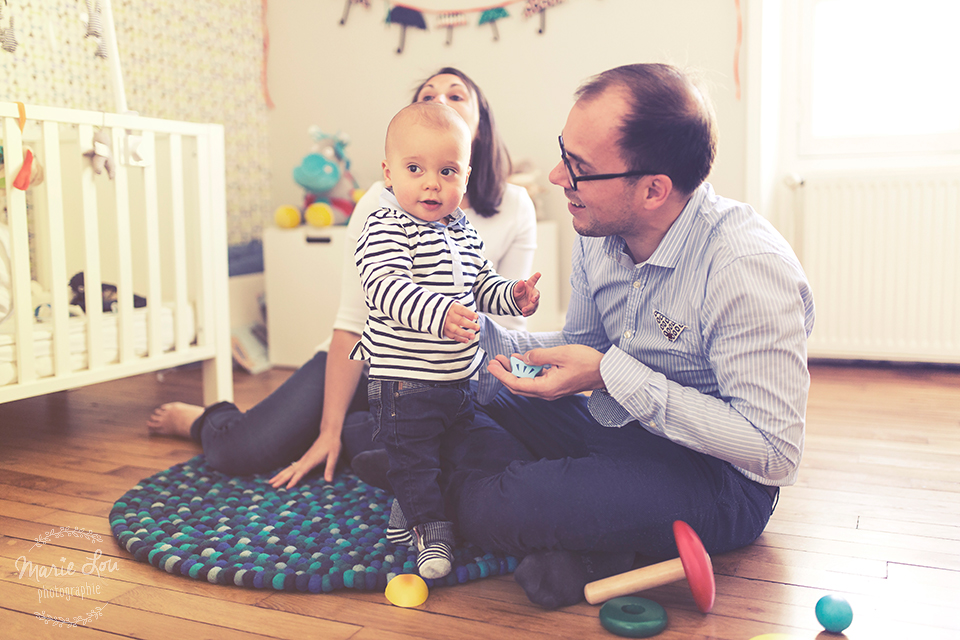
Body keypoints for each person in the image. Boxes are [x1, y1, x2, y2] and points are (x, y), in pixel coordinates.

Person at [430, 63, 816, 608]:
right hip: (617, 424)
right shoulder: (600, 227)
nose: (558, 178)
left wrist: (610, 372)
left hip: (719, 477)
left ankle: (444, 488)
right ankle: (595, 536)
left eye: (578, 167)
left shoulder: (745, 269)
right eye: (565, 152)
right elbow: (581, 345)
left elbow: (775, 453)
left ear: (654, 189)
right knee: (465, 391)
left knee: (503, 504)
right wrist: (469, 339)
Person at [146, 68, 538, 489]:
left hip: (451, 371)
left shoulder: (514, 205)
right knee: (240, 452)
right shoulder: (380, 205)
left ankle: (368, 429)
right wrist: (328, 431)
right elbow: (354, 322)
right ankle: (206, 419)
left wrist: (515, 301)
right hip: (369, 360)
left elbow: (508, 324)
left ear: (478, 128)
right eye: (427, 95)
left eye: (456, 96)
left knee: (483, 454)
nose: (439, 101)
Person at [351, 102, 540, 579]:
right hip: (405, 382)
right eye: (415, 169)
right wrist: (439, 315)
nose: (432, 183)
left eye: (447, 171)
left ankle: (404, 500)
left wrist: (513, 297)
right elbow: (385, 287)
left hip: (458, 379)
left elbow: (481, 286)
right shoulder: (385, 224)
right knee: (416, 461)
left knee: (451, 453)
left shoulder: (463, 231)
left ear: (466, 175)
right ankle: (431, 532)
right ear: (389, 173)